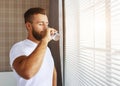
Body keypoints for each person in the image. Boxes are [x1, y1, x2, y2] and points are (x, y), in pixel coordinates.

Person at [9, 7, 57, 86]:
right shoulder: (18, 48)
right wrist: (44, 41)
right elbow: (27, 73)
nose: (46, 28)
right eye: (40, 24)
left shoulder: (46, 48)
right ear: (28, 26)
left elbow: (53, 71)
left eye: (47, 24)